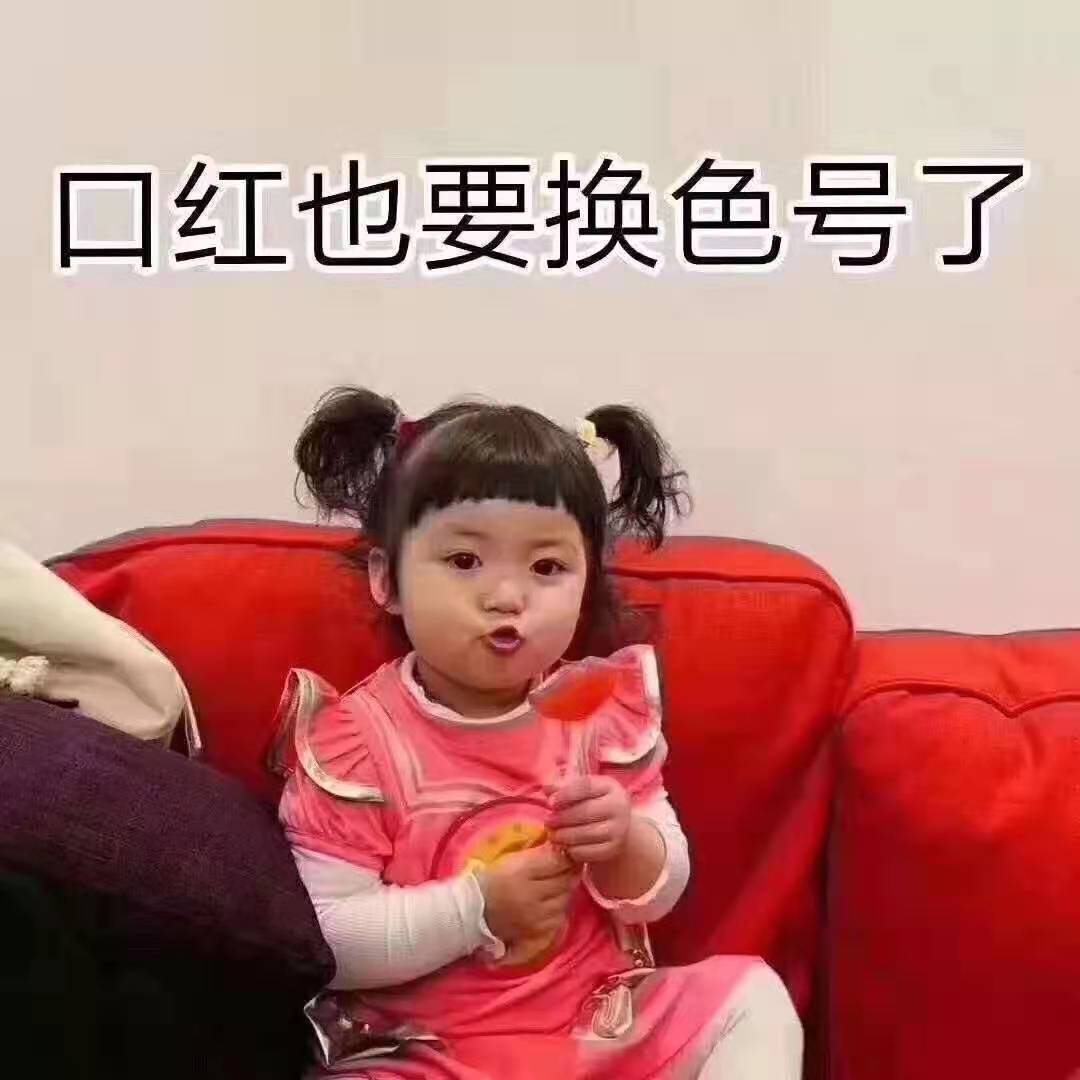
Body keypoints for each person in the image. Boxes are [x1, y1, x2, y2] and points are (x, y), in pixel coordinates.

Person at [276, 387, 803, 1079]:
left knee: (752, 999)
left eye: (547, 567)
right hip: (429, 1053)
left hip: (594, 1030)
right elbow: (330, 940)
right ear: (388, 580)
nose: (507, 597)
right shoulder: (358, 743)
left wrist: (626, 844)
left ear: (587, 583)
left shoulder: (598, 714)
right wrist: (477, 908)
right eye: (464, 561)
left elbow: (661, 889)